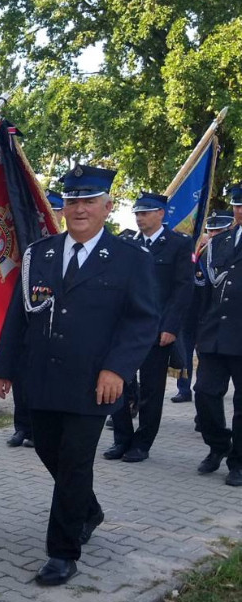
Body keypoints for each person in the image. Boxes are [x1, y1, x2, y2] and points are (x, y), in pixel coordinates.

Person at [0, 163, 158, 586]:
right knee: (49, 452)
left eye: (88, 201)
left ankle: (63, 552)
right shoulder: (39, 254)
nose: (79, 208)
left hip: (93, 383)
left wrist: (117, 369)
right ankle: (90, 510)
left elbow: (142, 322)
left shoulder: (129, 259)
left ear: (107, 206)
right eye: (72, 201)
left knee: (73, 462)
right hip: (41, 378)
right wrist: (3, 367)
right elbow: (18, 316)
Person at [103, 192, 194, 462]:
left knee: (152, 391)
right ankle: (122, 439)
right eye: (137, 214)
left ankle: (142, 443)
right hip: (125, 328)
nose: (140, 218)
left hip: (157, 331)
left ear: (161, 214)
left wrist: (170, 327)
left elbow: (182, 290)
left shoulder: (178, 244)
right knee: (117, 383)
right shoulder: (128, 243)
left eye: (145, 213)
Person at [194, 184, 242, 486]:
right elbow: (203, 292)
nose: (240, 210)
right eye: (237, 205)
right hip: (215, 334)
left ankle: (238, 462)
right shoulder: (218, 242)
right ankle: (219, 445)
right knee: (205, 395)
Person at [8, 189, 64, 447]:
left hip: (53, 322)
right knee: (22, 374)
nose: (49, 215)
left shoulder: (65, 244)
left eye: (54, 209)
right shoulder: (28, 236)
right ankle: (22, 426)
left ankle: (38, 428)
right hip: (25, 310)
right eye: (46, 209)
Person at [172, 209, 232, 403]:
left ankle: (205, 405)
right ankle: (184, 388)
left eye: (218, 231)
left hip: (211, 314)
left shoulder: (230, 252)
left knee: (207, 360)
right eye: (210, 231)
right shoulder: (197, 249)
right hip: (189, 311)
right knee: (185, 352)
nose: (213, 235)